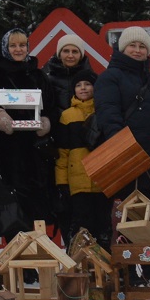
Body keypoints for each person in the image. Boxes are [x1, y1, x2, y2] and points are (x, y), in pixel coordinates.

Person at [0, 28, 54, 233]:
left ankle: (39, 254)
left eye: (22, 45)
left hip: (35, 153)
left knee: (36, 208)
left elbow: (50, 105)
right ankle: (18, 259)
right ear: (6, 48)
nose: (18, 49)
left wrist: (47, 121)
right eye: (13, 45)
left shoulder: (38, 74)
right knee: (13, 209)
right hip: (6, 152)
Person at [93, 27, 150, 200]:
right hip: (126, 160)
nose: (137, 50)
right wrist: (124, 150)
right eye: (132, 45)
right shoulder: (109, 77)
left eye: (142, 46)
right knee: (130, 218)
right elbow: (108, 115)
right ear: (123, 48)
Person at [56, 74, 109, 246]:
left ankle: (104, 267)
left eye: (87, 84)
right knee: (81, 227)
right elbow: (62, 153)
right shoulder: (67, 116)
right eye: (78, 85)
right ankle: (80, 265)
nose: (83, 88)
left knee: (103, 225)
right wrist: (62, 183)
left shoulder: (103, 112)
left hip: (101, 180)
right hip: (77, 182)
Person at [42, 33, 97, 120]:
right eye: (66, 51)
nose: (70, 55)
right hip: (57, 130)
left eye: (75, 51)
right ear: (59, 54)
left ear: (81, 55)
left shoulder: (93, 79)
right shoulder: (48, 80)